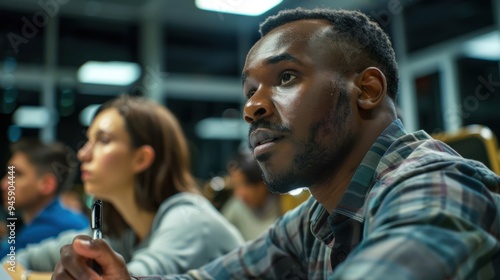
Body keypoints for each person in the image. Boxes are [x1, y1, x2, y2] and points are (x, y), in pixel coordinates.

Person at [53, 8, 500, 279]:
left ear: (366, 90)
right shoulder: (315, 219)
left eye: (286, 77)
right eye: (249, 92)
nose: (252, 109)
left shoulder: (434, 182)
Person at [7, 95, 243, 276]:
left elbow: (127, 279)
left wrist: (25, 277)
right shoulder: (125, 231)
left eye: (103, 140)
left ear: (141, 158)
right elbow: (18, 258)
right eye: (88, 141)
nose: (83, 154)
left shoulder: (189, 220)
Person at [0, 139, 89, 256]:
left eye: (17, 174)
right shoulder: (68, 220)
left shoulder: (49, 229)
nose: (4, 184)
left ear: (47, 184)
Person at [221, 149, 282, 240]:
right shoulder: (235, 208)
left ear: (264, 181)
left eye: (247, 184)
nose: (239, 194)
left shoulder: (285, 204)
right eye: (236, 186)